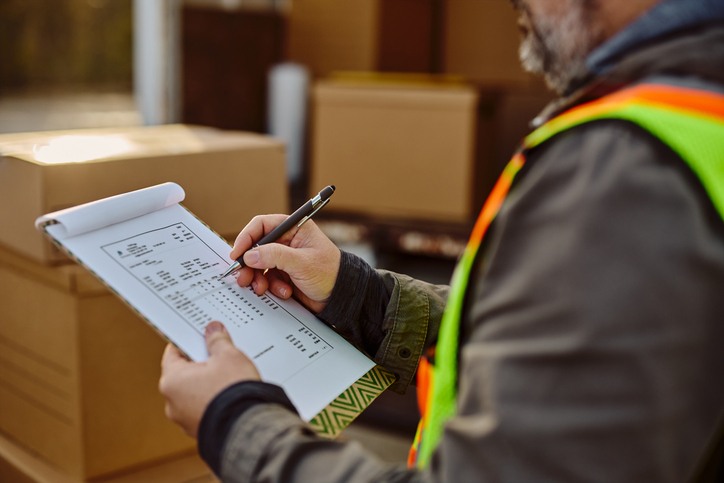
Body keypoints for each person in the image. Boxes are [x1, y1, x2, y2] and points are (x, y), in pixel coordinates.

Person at [159, 0, 724, 481]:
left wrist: (236, 420)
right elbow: (538, 334)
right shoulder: (693, 117)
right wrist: (355, 293)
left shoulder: (624, 170)